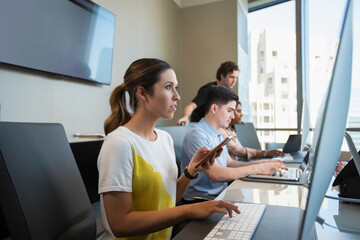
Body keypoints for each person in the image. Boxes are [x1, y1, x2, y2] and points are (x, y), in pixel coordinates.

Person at [97, 58, 240, 240]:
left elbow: (167, 199)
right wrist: (189, 210)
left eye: (176, 88)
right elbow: (120, 224)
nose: (177, 96)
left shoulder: (164, 139)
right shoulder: (119, 143)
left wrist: (191, 171)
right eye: (168, 87)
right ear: (142, 93)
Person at [181, 85, 287, 197]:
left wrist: (266, 164)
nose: (232, 116)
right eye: (229, 111)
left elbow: (230, 164)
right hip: (202, 199)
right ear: (214, 109)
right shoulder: (197, 135)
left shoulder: (217, 133)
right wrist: (258, 168)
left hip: (222, 194)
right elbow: (216, 174)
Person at [176, 61, 239, 125]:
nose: (234, 81)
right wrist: (185, 116)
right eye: (231, 77)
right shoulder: (208, 90)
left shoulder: (229, 93)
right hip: (201, 126)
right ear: (222, 76)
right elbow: (191, 106)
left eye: (236, 78)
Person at [219, 101, 284, 161]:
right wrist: (265, 153)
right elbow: (238, 151)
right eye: (238, 111)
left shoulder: (230, 129)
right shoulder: (222, 131)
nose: (241, 114)